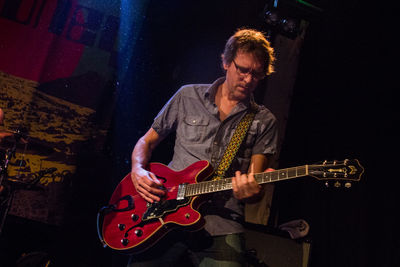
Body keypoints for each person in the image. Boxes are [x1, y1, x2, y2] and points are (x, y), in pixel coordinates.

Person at [128, 28, 278, 266]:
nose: (249, 80)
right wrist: (138, 169)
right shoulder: (188, 96)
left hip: (222, 221)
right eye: (243, 70)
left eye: (257, 75)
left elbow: (255, 182)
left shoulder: (264, 120)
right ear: (226, 62)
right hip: (164, 211)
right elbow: (146, 141)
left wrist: (251, 192)